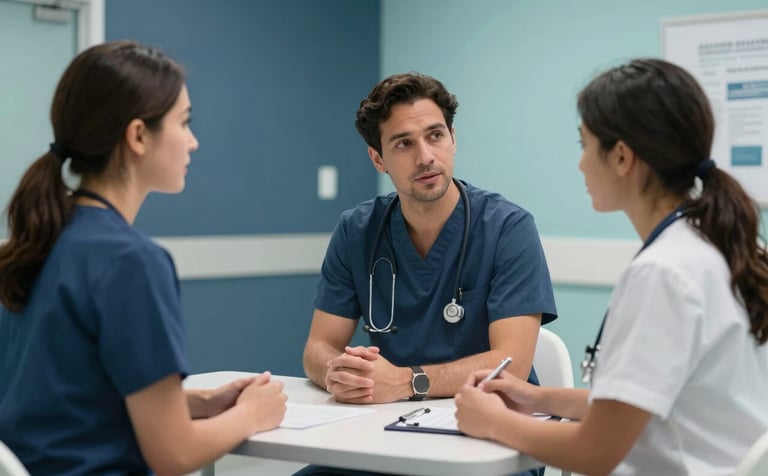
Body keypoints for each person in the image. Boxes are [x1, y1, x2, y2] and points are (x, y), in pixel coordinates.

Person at [455, 58, 768, 475]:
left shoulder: (663, 274)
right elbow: (644, 406)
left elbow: (596, 451)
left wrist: (491, 421)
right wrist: (537, 398)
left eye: (585, 144)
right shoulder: (717, 245)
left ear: (621, 157)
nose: (581, 163)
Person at [0, 41, 287, 475]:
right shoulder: (131, 262)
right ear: (138, 136)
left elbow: (64, 402)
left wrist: (200, 403)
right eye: (184, 123)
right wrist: (253, 413)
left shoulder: (33, 244)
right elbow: (173, 456)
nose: (193, 142)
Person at [298, 72, 556, 475]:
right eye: (403, 143)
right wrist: (339, 373)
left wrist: (404, 382)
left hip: (491, 437)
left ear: (452, 138)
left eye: (435, 135)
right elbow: (318, 347)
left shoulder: (507, 227)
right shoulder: (357, 231)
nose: (425, 156)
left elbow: (511, 362)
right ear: (378, 158)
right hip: (387, 434)